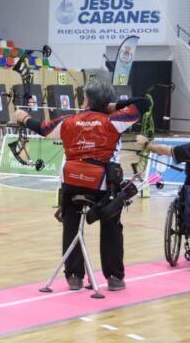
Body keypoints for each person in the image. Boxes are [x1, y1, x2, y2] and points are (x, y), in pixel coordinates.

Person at [13, 80, 151, 292]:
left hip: (72, 183)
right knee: (112, 225)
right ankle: (114, 277)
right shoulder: (115, 120)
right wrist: (113, 106)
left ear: (86, 100)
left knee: (71, 223)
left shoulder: (68, 121)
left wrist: (24, 118)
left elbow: (41, 128)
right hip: (102, 187)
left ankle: (75, 277)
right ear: (107, 102)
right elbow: (144, 103)